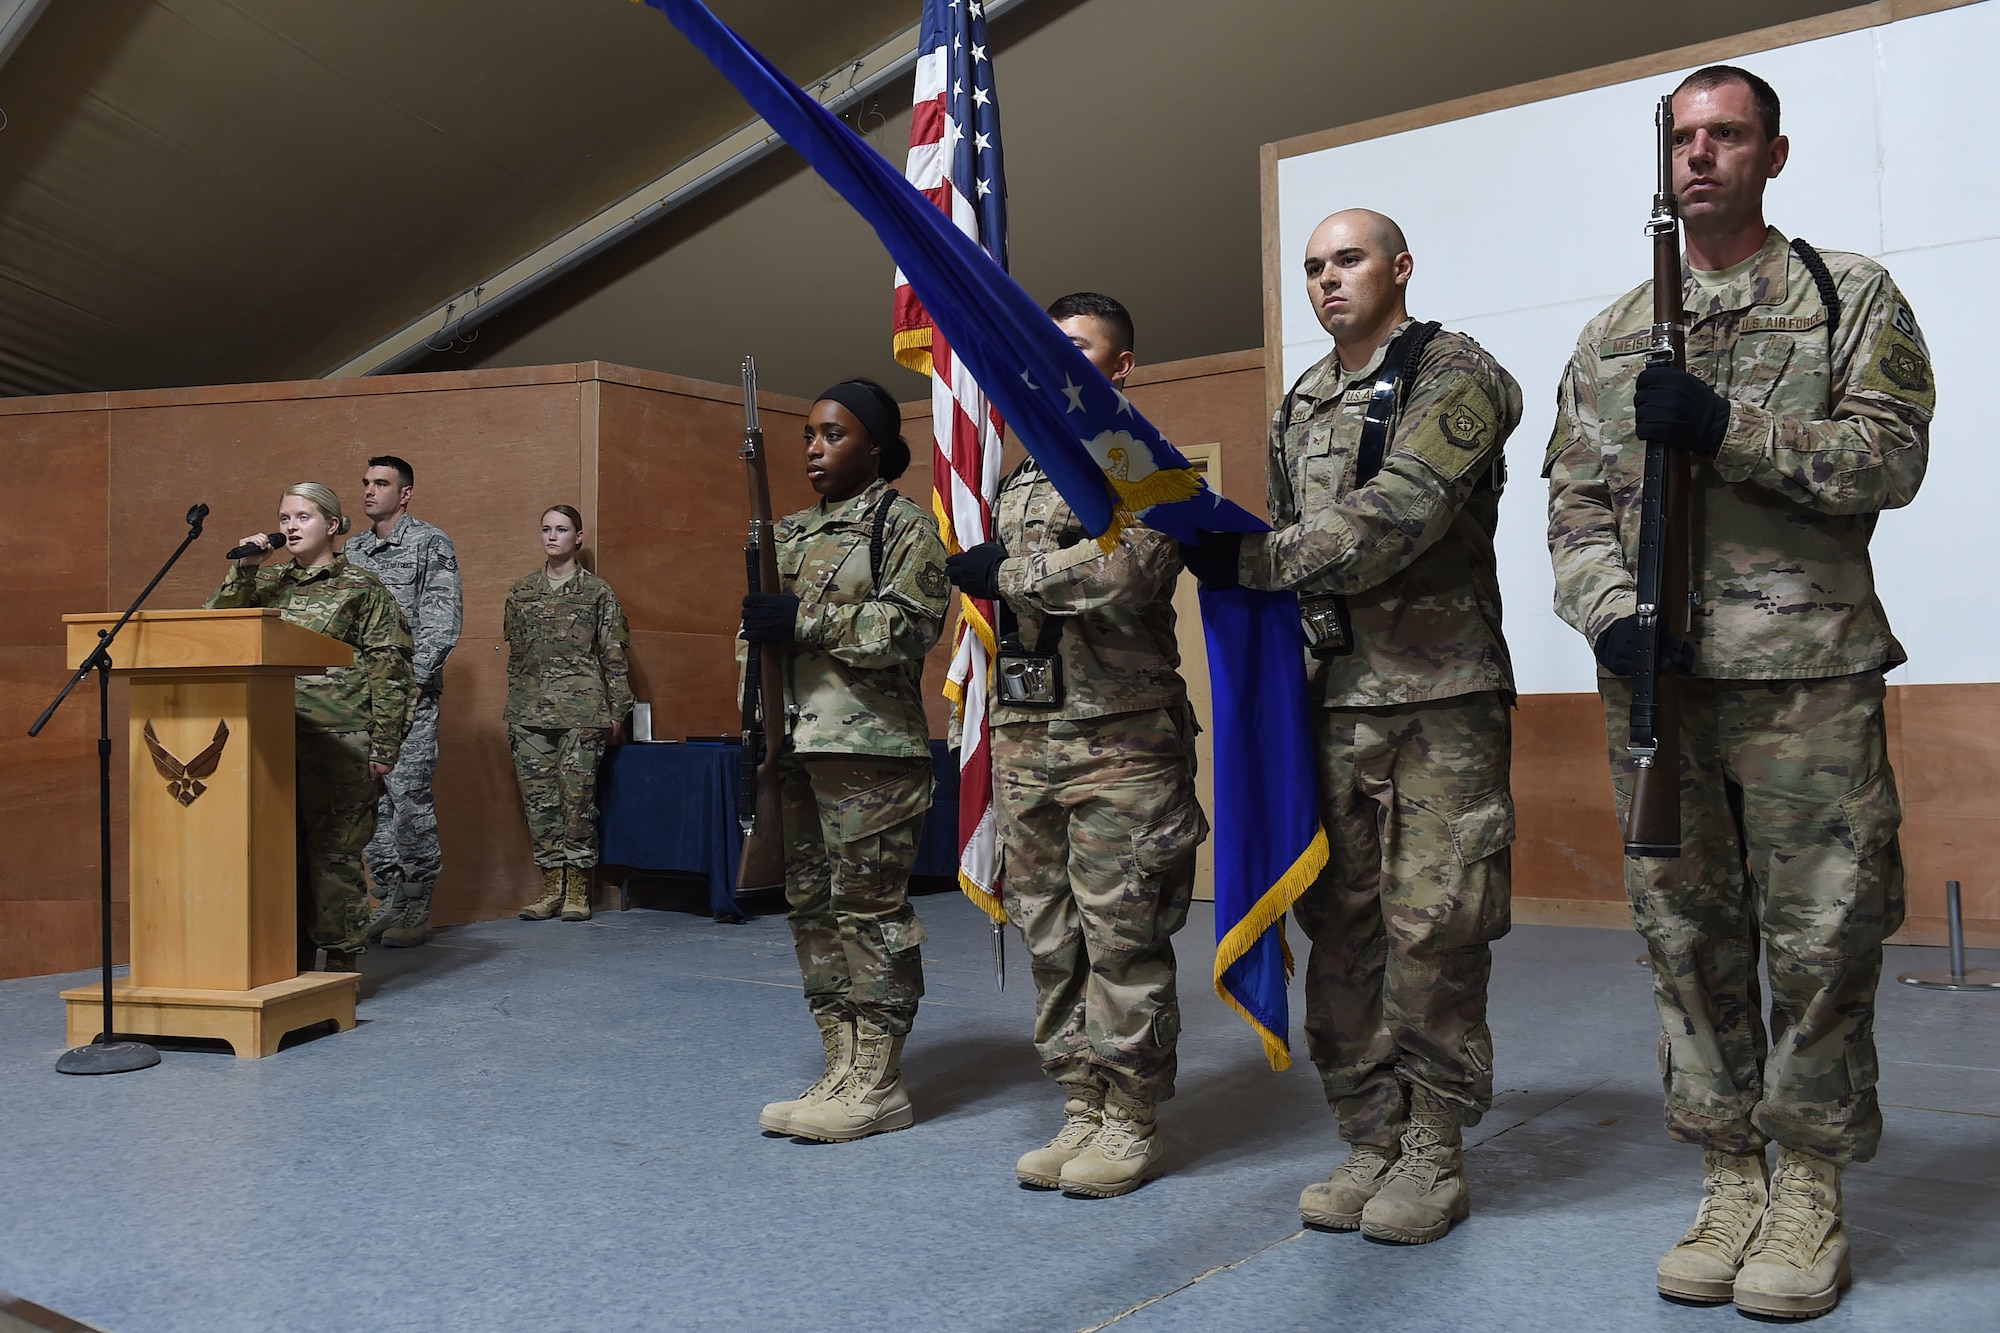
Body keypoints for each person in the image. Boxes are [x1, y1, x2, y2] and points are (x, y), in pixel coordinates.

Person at [1545, 67, 1931, 1319]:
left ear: (1772, 154)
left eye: (1725, 135)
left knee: (1821, 938)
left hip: (1804, 678)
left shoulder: (1842, 295)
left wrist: (1726, 429)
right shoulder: (1609, 332)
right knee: (1682, 936)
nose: (1698, 155)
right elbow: (1573, 505)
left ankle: (1807, 1181)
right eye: (1681, 137)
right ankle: (1726, 1168)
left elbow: (1891, 456)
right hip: (1660, 688)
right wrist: (1607, 616)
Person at [1182, 209, 1522, 1244]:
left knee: (1435, 928)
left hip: (1438, 699)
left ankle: (1433, 1146)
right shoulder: (1300, 403)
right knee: (1341, 929)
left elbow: (1397, 514)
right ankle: (1367, 1131)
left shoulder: (1455, 372)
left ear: (1399, 266)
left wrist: (1254, 562)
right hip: (1331, 698)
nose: (1327, 279)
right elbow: (1295, 540)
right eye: (1312, 266)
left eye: (1348, 259)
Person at [943, 293, 1204, 1198]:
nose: (1057, 369)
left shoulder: (1137, 457)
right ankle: (1081, 1101)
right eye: (1046, 352)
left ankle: (1133, 1117)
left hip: (1119, 740)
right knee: (1052, 936)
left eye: (1080, 353)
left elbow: (1128, 573)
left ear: (1119, 367)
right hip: (1027, 735)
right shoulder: (1020, 474)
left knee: (1122, 933)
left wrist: (1007, 572)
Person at [743, 378, 949, 1144]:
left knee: (870, 914)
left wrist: (804, 617)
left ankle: (880, 1077)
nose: (815, 449)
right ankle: (840, 1059)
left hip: (869, 753)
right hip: (794, 745)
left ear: (874, 444)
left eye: (833, 434)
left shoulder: (901, 525)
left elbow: (910, 625)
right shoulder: (785, 533)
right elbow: (757, 647)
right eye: (808, 436)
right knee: (813, 909)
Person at [205, 483, 415, 972]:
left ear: (333, 526)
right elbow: (212, 628)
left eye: (303, 517)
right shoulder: (266, 581)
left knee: (334, 855)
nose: (290, 527)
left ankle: (341, 961)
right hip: (268, 739)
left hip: (339, 740)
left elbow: (391, 671)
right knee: (279, 852)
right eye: (284, 518)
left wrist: (385, 745)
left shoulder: (361, 589)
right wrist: (245, 569)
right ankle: (288, 960)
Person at [344, 455, 462, 948]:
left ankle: (416, 903)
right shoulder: (352, 550)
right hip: (358, 697)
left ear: (405, 492)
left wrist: (409, 684)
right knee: (371, 802)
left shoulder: (429, 543)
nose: (370, 491)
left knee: (408, 798)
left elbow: (441, 620)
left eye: (382, 483)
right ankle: (388, 895)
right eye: (367, 483)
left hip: (408, 698)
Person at [504, 506, 633, 925]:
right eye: (545, 529)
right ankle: (551, 890)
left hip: (582, 712)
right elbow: (516, 657)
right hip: (529, 713)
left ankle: (579, 890)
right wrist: (517, 704)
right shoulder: (521, 591)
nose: (551, 536)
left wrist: (619, 709)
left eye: (561, 530)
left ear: (578, 537)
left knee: (577, 803)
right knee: (539, 805)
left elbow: (614, 656)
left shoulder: (596, 591)